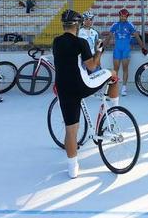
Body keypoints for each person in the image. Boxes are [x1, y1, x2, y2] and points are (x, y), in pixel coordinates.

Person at [52, 9, 119, 179]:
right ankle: (115, 110)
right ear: (78, 25)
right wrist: (99, 52)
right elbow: (92, 66)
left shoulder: (56, 42)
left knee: (71, 130)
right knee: (112, 73)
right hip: (81, 85)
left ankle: (73, 169)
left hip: (63, 88)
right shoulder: (80, 42)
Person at [104, 8, 148, 96]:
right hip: (117, 49)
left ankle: (124, 88)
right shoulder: (115, 25)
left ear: (127, 17)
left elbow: (137, 37)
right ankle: (113, 87)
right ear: (119, 16)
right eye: (122, 16)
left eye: (125, 16)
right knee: (115, 69)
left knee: (125, 68)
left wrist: (143, 47)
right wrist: (103, 46)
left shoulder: (130, 25)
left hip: (126, 50)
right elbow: (109, 37)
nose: (123, 18)